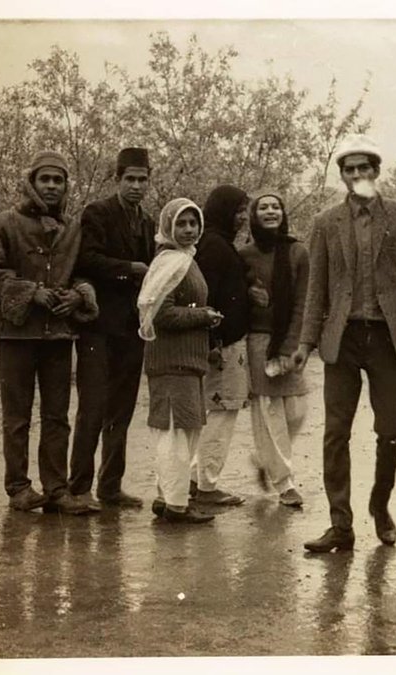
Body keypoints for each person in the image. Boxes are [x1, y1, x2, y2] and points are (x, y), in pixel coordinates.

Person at [293, 133, 396, 552]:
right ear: (342, 176)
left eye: (363, 168)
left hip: (389, 338)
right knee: (336, 432)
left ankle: (380, 504)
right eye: (349, 170)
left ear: (376, 171)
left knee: (391, 430)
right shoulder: (324, 223)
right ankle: (340, 524)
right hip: (343, 337)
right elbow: (316, 288)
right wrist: (304, 341)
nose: (357, 175)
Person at [0, 150, 100, 515]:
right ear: (32, 182)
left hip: (58, 336)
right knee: (17, 416)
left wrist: (78, 295)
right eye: (45, 179)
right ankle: (18, 488)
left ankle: (57, 490)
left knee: (57, 414)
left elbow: (84, 271)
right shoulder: (4, 224)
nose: (51, 186)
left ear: (65, 186)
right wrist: (31, 292)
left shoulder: (71, 229)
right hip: (17, 335)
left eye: (58, 180)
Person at [69, 147, 155, 509]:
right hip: (98, 326)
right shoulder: (97, 213)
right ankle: (78, 489)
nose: (136, 185)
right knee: (93, 406)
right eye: (129, 179)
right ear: (117, 179)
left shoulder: (148, 222)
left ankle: (110, 487)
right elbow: (86, 259)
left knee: (123, 408)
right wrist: (130, 268)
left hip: (132, 329)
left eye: (142, 179)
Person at [138, 198, 223, 524]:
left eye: (193, 224)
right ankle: (176, 505)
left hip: (187, 362)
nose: (189, 230)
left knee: (182, 431)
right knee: (174, 433)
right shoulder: (169, 262)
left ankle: (167, 497)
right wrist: (203, 315)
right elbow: (158, 314)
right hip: (171, 362)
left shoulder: (186, 260)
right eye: (182, 224)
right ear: (168, 228)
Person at [239, 189, 310, 507]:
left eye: (275, 207)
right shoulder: (245, 255)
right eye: (263, 207)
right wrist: (249, 295)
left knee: (296, 411)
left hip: (289, 341)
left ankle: (262, 459)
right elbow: (235, 296)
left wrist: (292, 346)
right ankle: (284, 483)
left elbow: (303, 302)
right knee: (270, 413)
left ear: (283, 214)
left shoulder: (298, 252)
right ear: (255, 216)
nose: (270, 211)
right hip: (257, 340)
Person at [191, 185, 252, 507]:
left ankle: (194, 479)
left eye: (245, 211)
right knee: (221, 415)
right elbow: (207, 295)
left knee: (217, 414)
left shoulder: (215, 242)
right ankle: (206, 484)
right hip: (222, 347)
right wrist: (213, 341)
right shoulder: (215, 246)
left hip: (224, 343)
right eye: (238, 210)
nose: (243, 217)